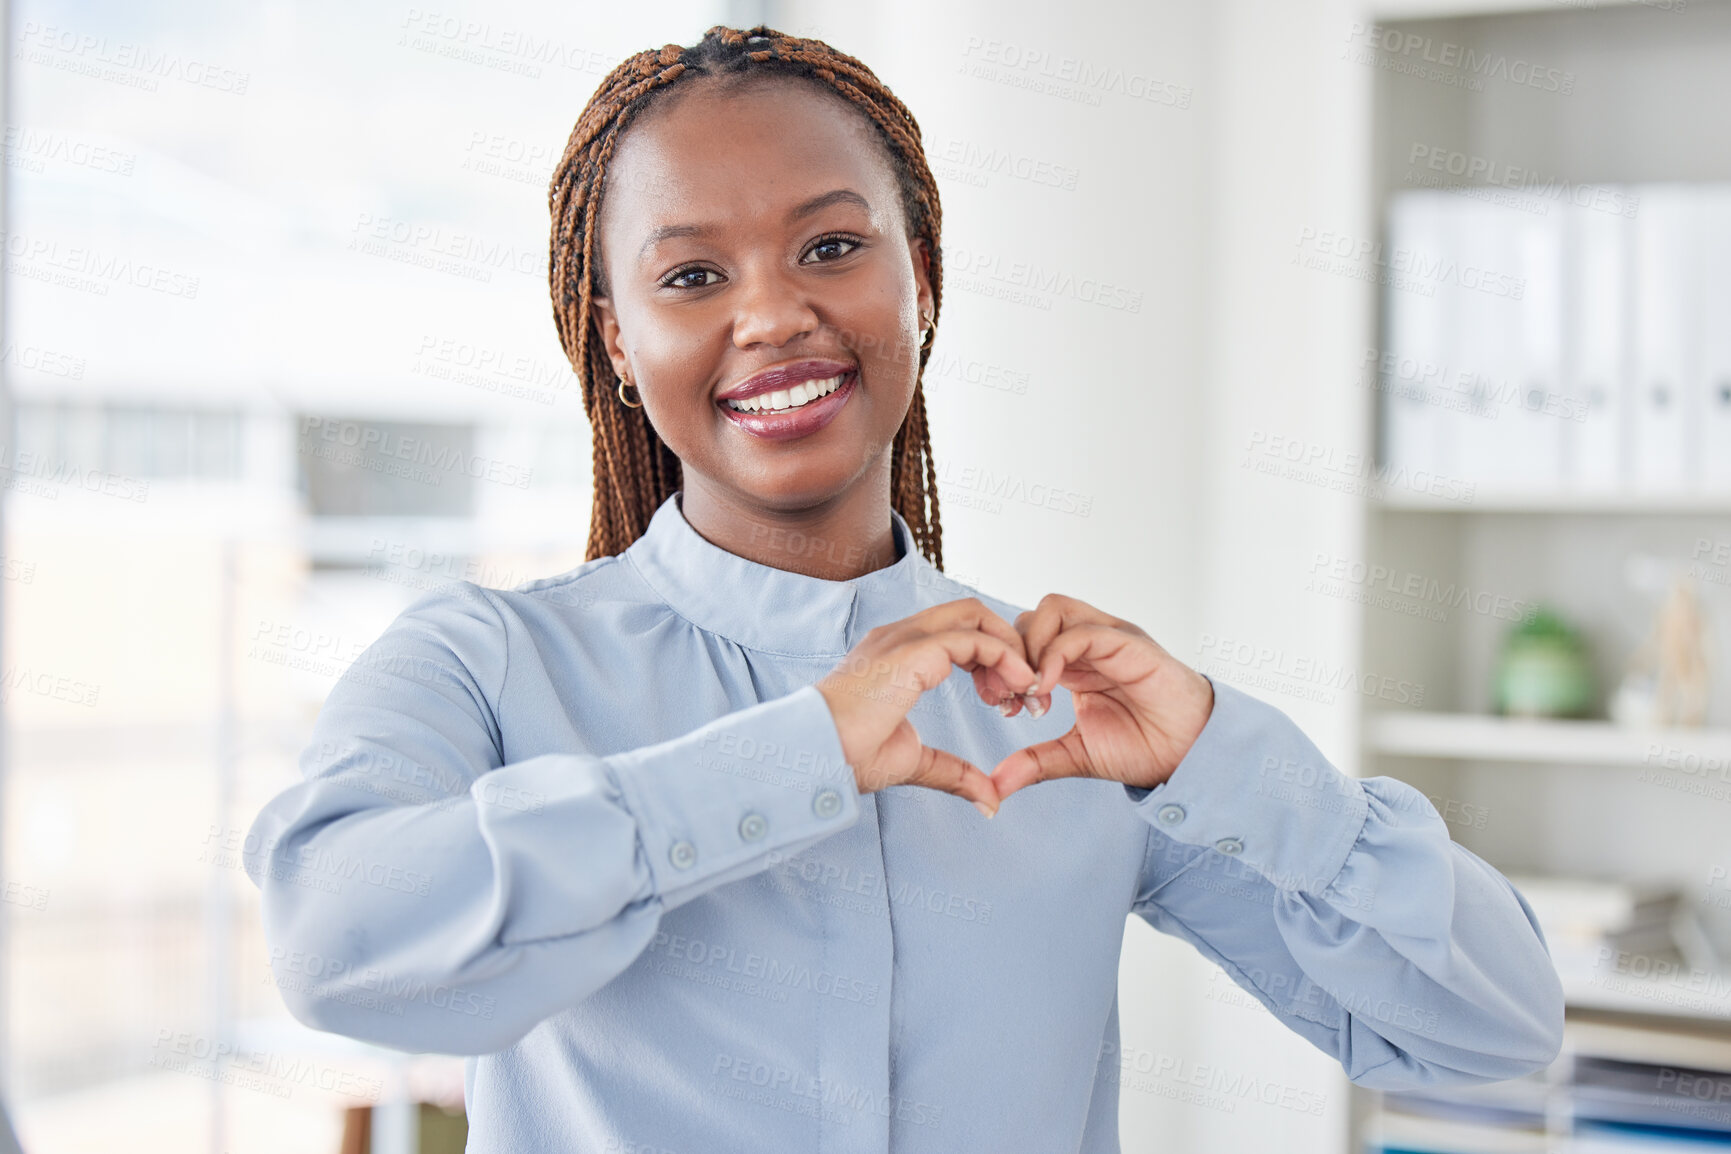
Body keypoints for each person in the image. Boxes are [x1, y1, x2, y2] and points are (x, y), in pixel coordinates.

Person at [243, 24, 1565, 1153]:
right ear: (617, 338)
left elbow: (1488, 1029)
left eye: (830, 248)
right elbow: (335, 936)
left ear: (919, 280)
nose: (771, 316)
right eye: (692, 275)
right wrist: (793, 755)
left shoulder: (1056, 710)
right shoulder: (486, 662)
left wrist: (1224, 756)